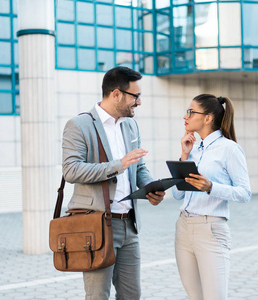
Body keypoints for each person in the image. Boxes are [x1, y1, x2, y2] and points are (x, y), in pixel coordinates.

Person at [62, 66, 165, 300]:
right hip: (97, 225)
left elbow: (138, 167)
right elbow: (71, 170)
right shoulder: (79, 125)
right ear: (116, 94)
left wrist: (150, 187)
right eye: (135, 96)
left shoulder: (131, 125)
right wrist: (118, 164)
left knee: (132, 295)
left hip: (129, 225)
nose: (139, 102)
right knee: (98, 296)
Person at [172, 94, 251, 300]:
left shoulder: (229, 149)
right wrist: (184, 156)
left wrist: (211, 187)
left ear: (208, 118)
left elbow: (245, 193)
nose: (185, 116)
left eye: (191, 112)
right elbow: (177, 194)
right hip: (183, 227)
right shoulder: (194, 149)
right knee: (194, 297)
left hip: (211, 230)